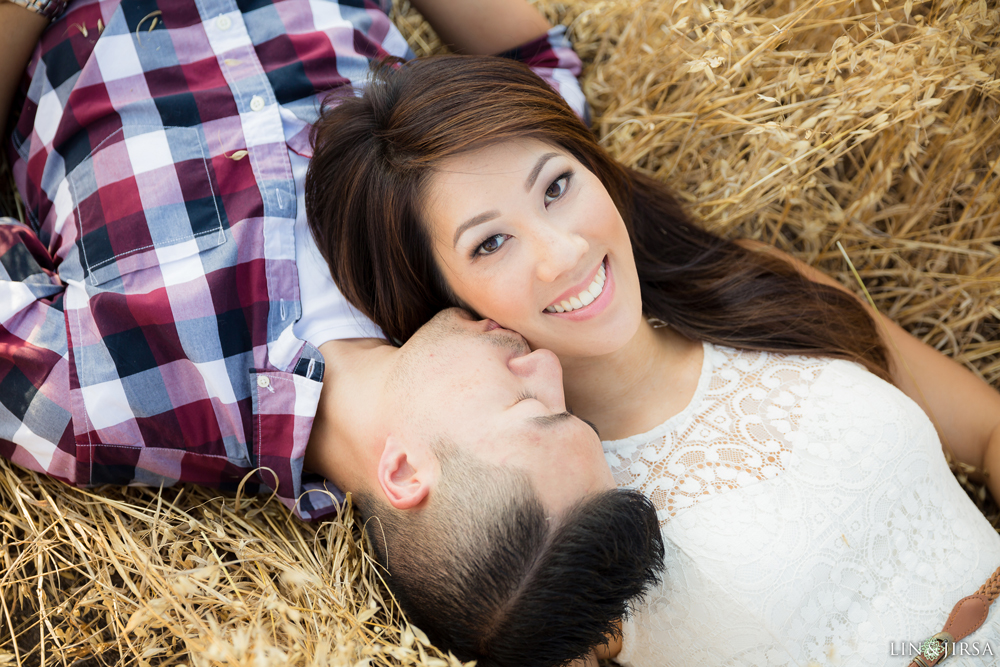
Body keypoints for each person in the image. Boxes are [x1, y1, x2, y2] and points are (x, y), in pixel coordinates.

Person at [0, 2, 667, 665]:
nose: (547, 364)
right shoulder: (486, 265)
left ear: (404, 470)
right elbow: (537, 77)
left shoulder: (109, 398)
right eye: (569, 403)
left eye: (534, 408)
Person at [306, 55, 1000, 665]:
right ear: (442, 295)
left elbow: (988, 428)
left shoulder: (745, 288)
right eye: (491, 243)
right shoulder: (552, 527)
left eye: (556, 186)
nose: (564, 251)